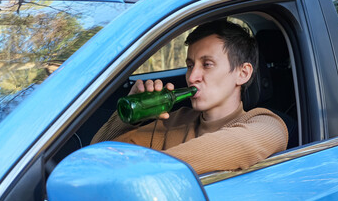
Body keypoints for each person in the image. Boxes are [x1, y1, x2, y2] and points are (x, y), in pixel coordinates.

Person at [91, 19, 288, 174]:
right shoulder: (174, 121)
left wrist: (136, 171)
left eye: (207, 64)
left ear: (243, 73)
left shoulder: (266, 124)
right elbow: (96, 156)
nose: (192, 77)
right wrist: (127, 118)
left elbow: (223, 148)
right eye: (190, 65)